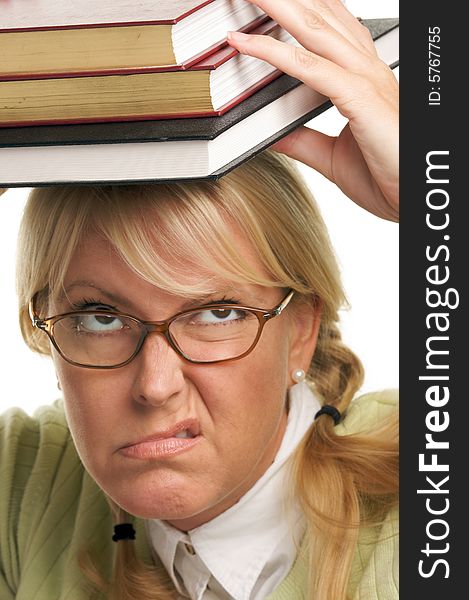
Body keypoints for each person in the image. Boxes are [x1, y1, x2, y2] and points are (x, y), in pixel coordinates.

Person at [0, 1, 398, 599]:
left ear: (302, 331)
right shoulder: (24, 486)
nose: (155, 385)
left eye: (218, 312)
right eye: (100, 317)